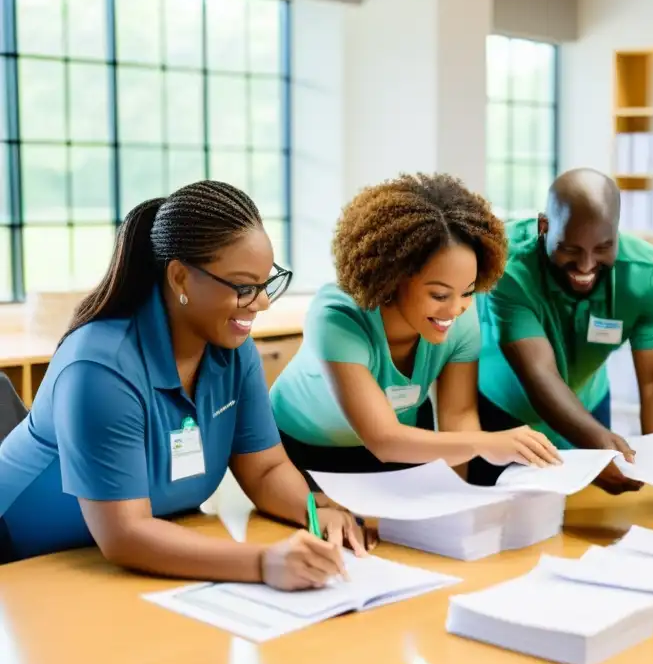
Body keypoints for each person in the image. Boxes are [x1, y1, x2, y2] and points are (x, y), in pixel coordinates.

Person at [0, 181, 370, 590]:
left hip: (134, 554)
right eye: (245, 287)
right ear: (179, 277)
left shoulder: (232, 347)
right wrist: (263, 562)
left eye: (266, 284)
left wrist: (315, 510)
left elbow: (264, 469)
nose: (262, 303)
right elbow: (124, 534)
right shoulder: (99, 366)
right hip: (25, 559)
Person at [269, 172, 561, 478]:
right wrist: (487, 443)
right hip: (307, 446)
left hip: (403, 442)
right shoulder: (336, 318)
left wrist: (456, 500)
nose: (456, 308)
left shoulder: (460, 318)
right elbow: (383, 439)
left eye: (468, 292)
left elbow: (458, 417)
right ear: (393, 278)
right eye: (439, 294)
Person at [472, 168, 653, 505]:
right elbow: (539, 372)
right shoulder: (508, 267)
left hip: (587, 405)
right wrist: (593, 442)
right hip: (506, 411)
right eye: (571, 249)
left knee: (587, 516)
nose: (586, 265)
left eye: (603, 247)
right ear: (544, 227)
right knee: (505, 521)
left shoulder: (644, 274)